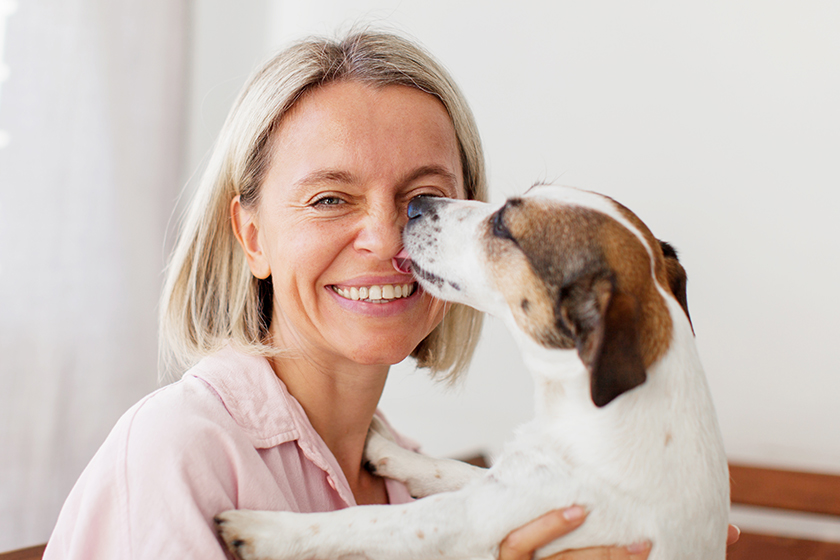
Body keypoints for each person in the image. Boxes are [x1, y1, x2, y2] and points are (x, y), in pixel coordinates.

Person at [43, 30, 736, 559]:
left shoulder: (405, 478)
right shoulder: (174, 454)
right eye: (329, 198)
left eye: (423, 200)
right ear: (251, 237)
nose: (385, 238)